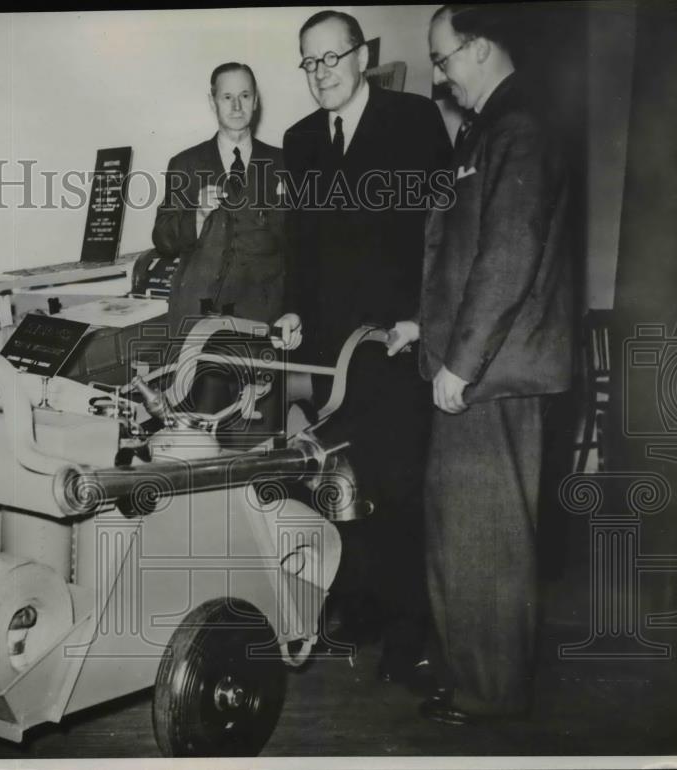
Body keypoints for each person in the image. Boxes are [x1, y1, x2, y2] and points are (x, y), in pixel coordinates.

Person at [387, 3, 573, 724]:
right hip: (478, 367)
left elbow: (507, 259)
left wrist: (459, 365)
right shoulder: (493, 127)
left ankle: (490, 697)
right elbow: (465, 256)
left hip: (493, 376)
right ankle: (474, 676)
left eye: (442, 59)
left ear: (481, 47)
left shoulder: (518, 127)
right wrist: (420, 325)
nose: (440, 75)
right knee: (463, 532)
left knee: (486, 540)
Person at [276, 10, 451, 684]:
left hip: (395, 341)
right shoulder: (299, 139)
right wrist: (292, 309)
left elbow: (443, 230)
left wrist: (421, 318)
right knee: (341, 482)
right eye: (309, 61)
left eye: (332, 57)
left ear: (361, 55)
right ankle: (364, 607)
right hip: (328, 350)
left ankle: (412, 632)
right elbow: (301, 243)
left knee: (399, 485)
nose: (321, 72)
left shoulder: (411, 119)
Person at [151, 63, 286, 444]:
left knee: (251, 439)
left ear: (256, 102)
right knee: (195, 437)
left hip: (259, 327)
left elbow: (296, 249)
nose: (237, 105)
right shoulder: (185, 164)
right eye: (227, 96)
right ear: (213, 102)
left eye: (245, 96)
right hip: (196, 325)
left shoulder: (283, 165)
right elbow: (162, 239)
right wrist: (195, 214)